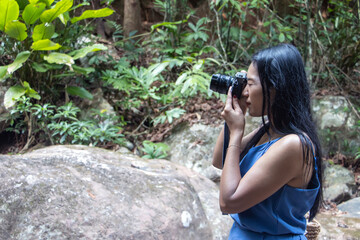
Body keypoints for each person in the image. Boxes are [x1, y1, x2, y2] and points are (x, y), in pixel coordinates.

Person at [212, 44, 323, 239]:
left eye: (250, 84)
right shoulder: (269, 131)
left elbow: (229, 202)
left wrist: (237, 132)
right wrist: (237, 113)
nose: (245, 91)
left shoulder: (294, 145)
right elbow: (220, 161)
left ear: (274, 88)